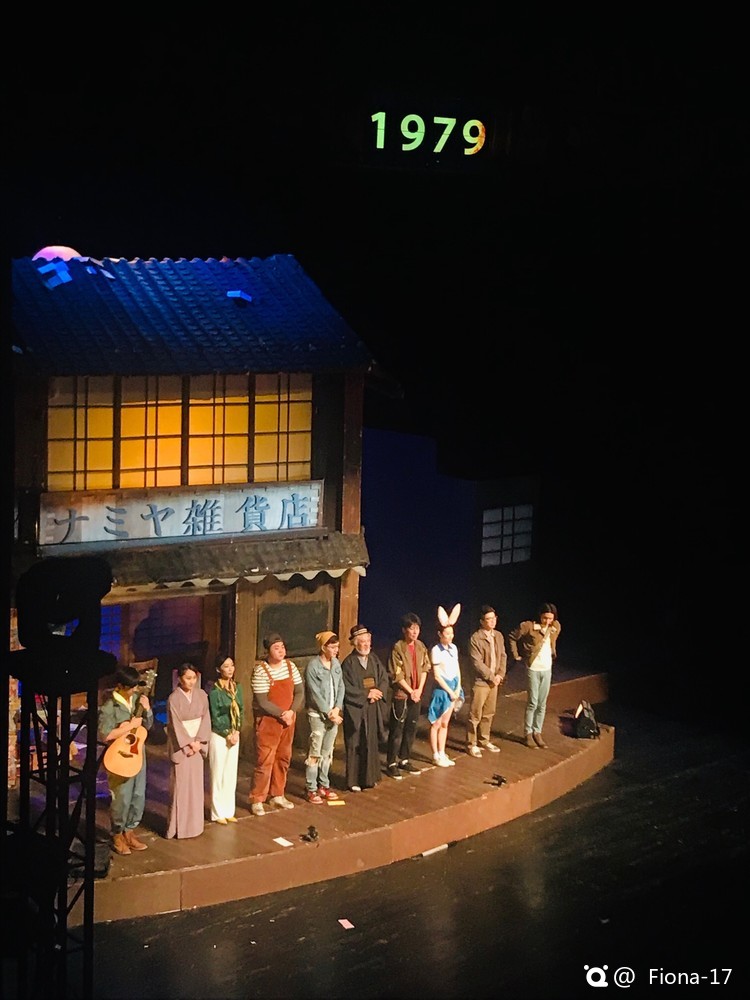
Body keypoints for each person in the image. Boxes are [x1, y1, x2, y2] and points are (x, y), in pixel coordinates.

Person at [98, 664, 154, 856]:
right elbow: (105, 734)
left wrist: (147, 710)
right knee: (121, 797)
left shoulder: (138, 700)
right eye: (131, 687)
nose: (134, 690)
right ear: (120, 686)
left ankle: (130, 830)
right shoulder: (109, 706)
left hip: (137, 753)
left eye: (136, 686)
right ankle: (117, 834)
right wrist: (128, 726)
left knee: (138, 795)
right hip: (119, 755)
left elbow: (147, 726)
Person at [249, 633, 303, 815]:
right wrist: (281, 714)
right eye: (276, 648)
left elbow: (299, 692)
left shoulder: (290, 666)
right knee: (265, 761)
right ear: (268, 651)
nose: (281, 651)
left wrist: (291, 712)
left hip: (288, 721)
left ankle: (277, 794)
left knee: (283, 758)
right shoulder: (261, 671)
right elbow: (262, 701)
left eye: (282, 647)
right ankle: (257, 799)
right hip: (269, 722)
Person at [340, 624, 389, 791]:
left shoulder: (374, 659)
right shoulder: (348, 663)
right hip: (357, 709)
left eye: (368, 641)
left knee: (371, 742)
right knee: (355, 743)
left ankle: (370, 778)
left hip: (372, 708)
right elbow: (346, 687)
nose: (366, 644)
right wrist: (367, 694)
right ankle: (353, 781)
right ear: (355, 643)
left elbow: (383, 678)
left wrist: (378, 692)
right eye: (362, 642)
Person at [165, 662, 211, 839]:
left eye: (194, 678)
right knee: (181, 788)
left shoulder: (202, 695)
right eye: (187, 678)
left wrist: (199, 742)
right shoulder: (173, 699)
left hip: (197, 745)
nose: (191, 682)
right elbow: (175, 725)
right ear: (179, 678)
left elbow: (206, 719)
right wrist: (188, 744)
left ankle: (195, 826)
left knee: (196, 787)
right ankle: (178, 828)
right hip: (182, 747)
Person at [508, 602, 562, 749]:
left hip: (547, 669)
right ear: (539, 616)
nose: (547, 621)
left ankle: (537, 732)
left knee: (542, 703)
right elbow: (512, 637)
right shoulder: (529, 626)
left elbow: (554, 636)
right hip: (533, 668)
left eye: (550, 618)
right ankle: (528, 733)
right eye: (545, 618)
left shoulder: (555, 626)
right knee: (533, 701)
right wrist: (516, 655)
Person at [386, 612, 431, 779]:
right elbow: (397, 674)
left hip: (416, 694)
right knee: (397, 730)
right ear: (404, 630)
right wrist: (410, 691)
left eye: (417, 628)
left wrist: (419, 690)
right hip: (402, 695)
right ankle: (391, 762)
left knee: (411, 728)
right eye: (411, 628)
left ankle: (404, 759)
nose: (415, 632)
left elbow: (425, 668)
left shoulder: (421, 646)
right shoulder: (398, 647)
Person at [304, 630, 345, 803]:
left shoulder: (336, 664)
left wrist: (337, 708)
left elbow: (341, 687)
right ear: (323, 647)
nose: (336, 650)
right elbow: (314, 694)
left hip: (333, 715)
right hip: (318, 715)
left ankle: (324, 785)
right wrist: (328, 712)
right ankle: (311, 788)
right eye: (332, 647)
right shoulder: (313, 666)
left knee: (328, 752)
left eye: (337, 647)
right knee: (315, 752)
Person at [466, 605, 507, 757]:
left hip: (494, 681)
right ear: (482, 621)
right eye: (488, 619)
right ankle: (471, 744)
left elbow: (503, 656)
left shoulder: (498, 636)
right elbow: (477, 663)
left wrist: (500, 674)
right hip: (481, 682)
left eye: (493, 618)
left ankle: (484, 740)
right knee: (475, 714)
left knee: (489, 713)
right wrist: (491, 676)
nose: (492, 621)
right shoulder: (476, 638)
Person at [208, 652, 244, 824]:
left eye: (232, 665)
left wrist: (237, 731)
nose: (230, 669)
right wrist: (227, 733)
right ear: (218, 669)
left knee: (230, 773)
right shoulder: (215, 691)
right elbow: (215, 716)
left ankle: (229, 810)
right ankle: (217, 812)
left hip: (234, 735)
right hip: (220, 735)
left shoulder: (237, 688)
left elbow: (241, 710)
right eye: (226, 666)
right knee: (218, 774)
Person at [427, 606, 464, 767]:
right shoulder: (436, 650)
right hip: (442, 690)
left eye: (451, 633)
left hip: (453, 688)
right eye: (447, 633)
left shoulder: (454, 648)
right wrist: (449, 691)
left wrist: (458, 687)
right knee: (436, 723)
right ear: (440, 634)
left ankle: (442, 752)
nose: (450, 636)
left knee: (445, 724)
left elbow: (457, 669)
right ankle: (435, 754)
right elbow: (437, 675)